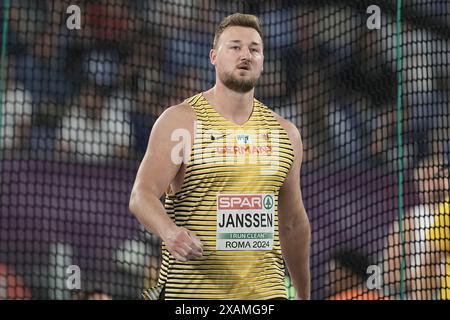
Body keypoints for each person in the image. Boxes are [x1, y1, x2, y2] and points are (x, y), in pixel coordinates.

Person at [129, 13, 311, 300]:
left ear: (262, 61)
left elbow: (293, 222)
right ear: (214, 56)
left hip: (264, 295)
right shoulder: (181, 121)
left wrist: (303, 294)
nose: (245, 55)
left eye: (254, 49)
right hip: (194, 294)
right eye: (235, 47)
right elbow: (142, 195)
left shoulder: (285, 133)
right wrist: (170, 232)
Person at [382, 153, 449, 299]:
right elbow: (390, 274)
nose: (436, 183)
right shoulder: (409, 221)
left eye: (440, 177)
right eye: (429, 178)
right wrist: (423, 278)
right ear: (419, 184)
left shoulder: (447, 212)